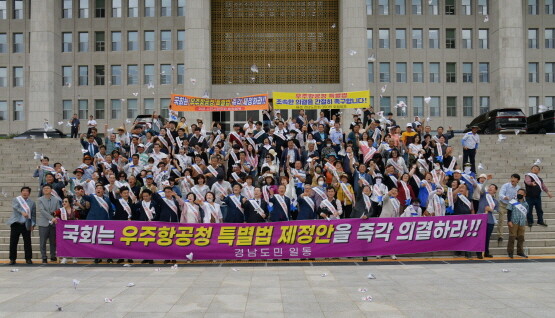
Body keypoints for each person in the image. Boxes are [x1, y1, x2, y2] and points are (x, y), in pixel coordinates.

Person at [8, 187, 36, 265]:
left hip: (26, 224)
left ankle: (28, 259)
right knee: (13, 242)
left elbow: (33, 215)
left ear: (29, 193)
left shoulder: (32, 203)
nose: (25, 192)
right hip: (16, 223)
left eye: (27, 191)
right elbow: (15, 207)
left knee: (27, 242)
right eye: (23, 191)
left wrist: (33, 224)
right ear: (21, 192)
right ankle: (12, 259)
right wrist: (22, 212)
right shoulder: (16, 199)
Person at [37, 184, 62, 263]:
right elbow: (42, 210)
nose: (46, 189)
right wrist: (51, 218)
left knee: (53, 241)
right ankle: (44, 256)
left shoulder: (56, 200)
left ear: (51, 190)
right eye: (44, 188)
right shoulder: (40, 199)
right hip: (43, 223)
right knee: (43, 241)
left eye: (48, 188)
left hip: (53, 223)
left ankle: (53, 256)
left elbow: (58, 210)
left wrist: (56, 217)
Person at [476, 184, 498, 259]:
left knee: (487, 238)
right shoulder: (483, 196)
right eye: (490, 186)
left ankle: (486, 252)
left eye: (493, 187)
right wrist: (486, 181)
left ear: (495, 191)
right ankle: (479, 252)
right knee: (480, 237)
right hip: (480, 220)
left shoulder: (495, 201)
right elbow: (481, 189)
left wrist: (491, 210)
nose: (490, 188)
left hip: (490, 221)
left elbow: (497, 211)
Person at [497, 174, 521, 245]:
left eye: (514, 178)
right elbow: (501, 194)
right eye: (512, 178)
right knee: (501, 219)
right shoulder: (506, 185)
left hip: (512, 205)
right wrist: (505, 197)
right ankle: (500, 235)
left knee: (512, 220)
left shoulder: (518, 188)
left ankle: (513, 234)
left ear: (518, 180)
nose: (512, 179)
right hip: (503, 204)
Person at [55, 196, 79, 264]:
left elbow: (78, 218)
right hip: (63, 230)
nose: (64, 203)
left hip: (73, 230)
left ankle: (74, 257)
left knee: (73, 244)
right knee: (64, 244)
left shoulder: (74, 211)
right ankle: (64, 257)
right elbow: (53, 214)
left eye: (66, 201)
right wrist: (56, 217)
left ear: (69, 203)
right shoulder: (60, 210)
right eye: (63, 202)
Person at [507, 189, 529, 258]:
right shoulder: (512, 202)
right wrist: (509, 221)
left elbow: (526, 213)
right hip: (514, 221)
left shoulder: (526, 204)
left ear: (524, 195)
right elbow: (509, 211)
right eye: (518, 193)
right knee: (512, 237)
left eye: (521, 193)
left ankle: (520, 252)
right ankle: (510, 252)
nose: (519, 194)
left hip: (522, 222)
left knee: (521, 237)